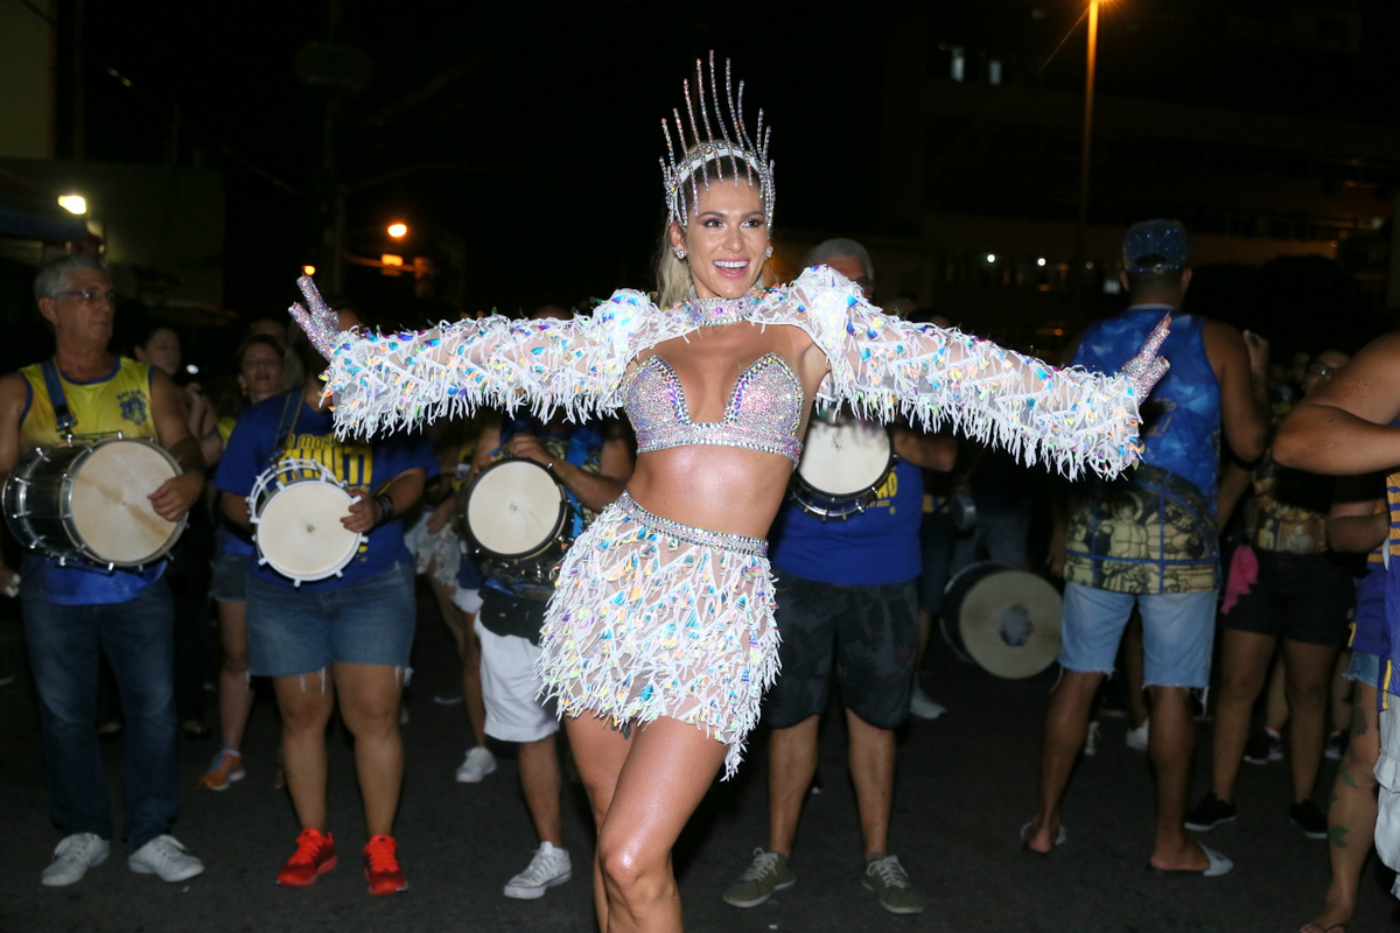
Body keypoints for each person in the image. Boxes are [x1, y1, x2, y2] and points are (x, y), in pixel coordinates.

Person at [291, 55, 1166, 931]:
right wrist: (368, 362)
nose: (736, 243)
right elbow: (496, 350)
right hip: (609, 590)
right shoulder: (630, 332)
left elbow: (959, 369)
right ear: (680, 234)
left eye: (752, 221)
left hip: (717, 610)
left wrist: (1093, 403)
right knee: (617, 851)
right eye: (713, 222)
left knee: (635, 851)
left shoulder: (812, 325)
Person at [1025, 219, 1270, 876]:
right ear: (1186, 277)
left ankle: (1046, 822)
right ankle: (1170, 840)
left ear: (1126, 276)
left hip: (1100, 525)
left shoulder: (1088, 341)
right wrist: (1260, 375)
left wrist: (1058, 524)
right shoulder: (1215, 339)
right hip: (1182, 540)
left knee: (1078, 676)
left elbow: (1052, 445)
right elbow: (1251, 446)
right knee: (1171, 690)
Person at [721, 239, 955, 916]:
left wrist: (886, 426)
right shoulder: (784, 359)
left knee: (875, 721)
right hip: (797, 566)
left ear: (873, 292)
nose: (844, 300)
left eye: (856, 287)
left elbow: (945, 453)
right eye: (831, 287)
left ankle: (879, 857)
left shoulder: (909, 367)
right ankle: (776, 854)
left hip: (884, 572)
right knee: (792, 716)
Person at [0, 255, 207, 886]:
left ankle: (151, 832)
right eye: (87, 295)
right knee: (65, 715)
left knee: (154, 710)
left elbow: (182, 444)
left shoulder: (148, 381)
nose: (104, 306)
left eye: (109, 296)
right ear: (50, 309)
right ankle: (83, 830)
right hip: (53, 583)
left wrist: (192, 475)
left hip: (139, 579)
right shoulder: (18, 388)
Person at [213, 314, 437, 896]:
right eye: (329, 333)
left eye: (357, 334)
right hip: (283, 589)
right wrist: (269, 523)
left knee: (374, 717)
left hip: (373, 583)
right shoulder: (268, 417)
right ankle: (314, 837)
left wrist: (383, 507)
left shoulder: (389, 412)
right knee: (301, 716)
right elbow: (230, 497)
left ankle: (380, 842)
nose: (342, 343)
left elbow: (415, 474)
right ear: (307, 344)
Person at [464, 310, 635, 897]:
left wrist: (552, 464)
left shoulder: (609, 420)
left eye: (557, 337)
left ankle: (620, 859)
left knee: (602, 741)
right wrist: (483, 474)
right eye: (534, 337)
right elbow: (472, 500)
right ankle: (551, 849)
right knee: (531, 734)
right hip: (512, 599)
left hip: (588, 605)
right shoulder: (503, 413)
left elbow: (621, 502)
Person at [1185, 349, 1354, 840]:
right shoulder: (1273, 430)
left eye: (1340, 370)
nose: (1327, 376)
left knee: (1308, 691)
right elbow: (1230, 490)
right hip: (1255, 572)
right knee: (1237, 686)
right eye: (1319, 366)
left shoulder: (1354, 436)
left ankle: (1303, 799)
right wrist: (1196, 549)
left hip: (1322, 577)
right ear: (1303, 375)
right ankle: (1221, 794)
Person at [1274, 330, 1400, 907]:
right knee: (1367, 754)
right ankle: (1340, 900)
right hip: (1389, 600)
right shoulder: (1375, 414)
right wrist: (1385, 528)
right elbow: (1341, 528)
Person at [199, 333, 288, 789]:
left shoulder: (304, 421)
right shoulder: (231, 428)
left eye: (269, 360)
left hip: (295, 553)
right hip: (237, 550)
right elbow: (192, 464)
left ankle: (291, 751)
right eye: (251, 361)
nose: (261, 367)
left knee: (292, 656)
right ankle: (231, 751)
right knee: (237, 654)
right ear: (240, 375)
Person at [133, 323, 223, 741]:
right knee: (131, 614)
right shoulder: (131, 399)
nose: (170, 352)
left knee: (187, 615)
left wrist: (199, 409)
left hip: (189, 519)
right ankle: (122, 707)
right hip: (137, 515)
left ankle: (190, 706)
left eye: (175, 345)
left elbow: (207, 452)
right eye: (161, 344)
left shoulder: (190, 397)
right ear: (140, 351)